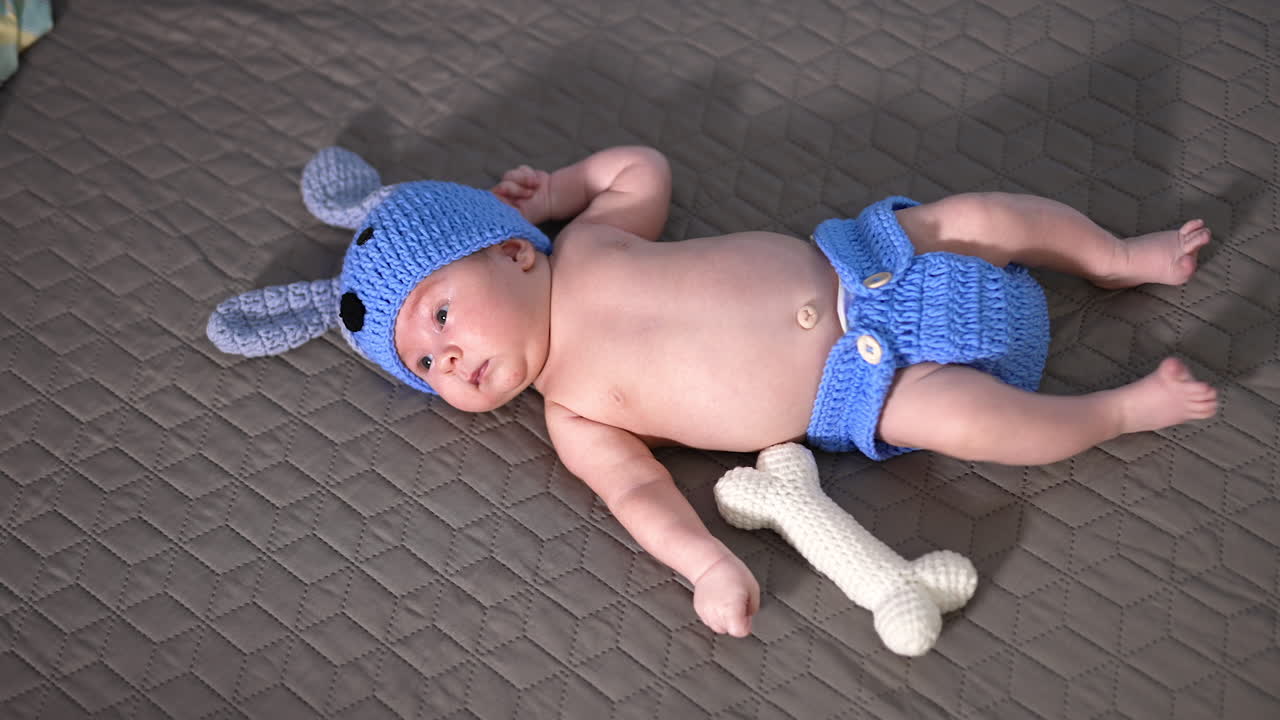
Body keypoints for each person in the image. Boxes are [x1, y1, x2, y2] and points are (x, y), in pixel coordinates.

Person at [213, 145, 1219, 639]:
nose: (446, 361)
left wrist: (557, 189)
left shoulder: (595, 240)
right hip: (859, 392)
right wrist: (704, 569)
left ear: (512, 253)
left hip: (862, 264)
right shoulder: (576, 413)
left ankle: (1115, 255)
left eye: (437, 317)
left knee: (980, 214)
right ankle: (1116, 411)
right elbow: (640, 499)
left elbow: (638, 165)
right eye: (422, 367)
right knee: (979, 427)